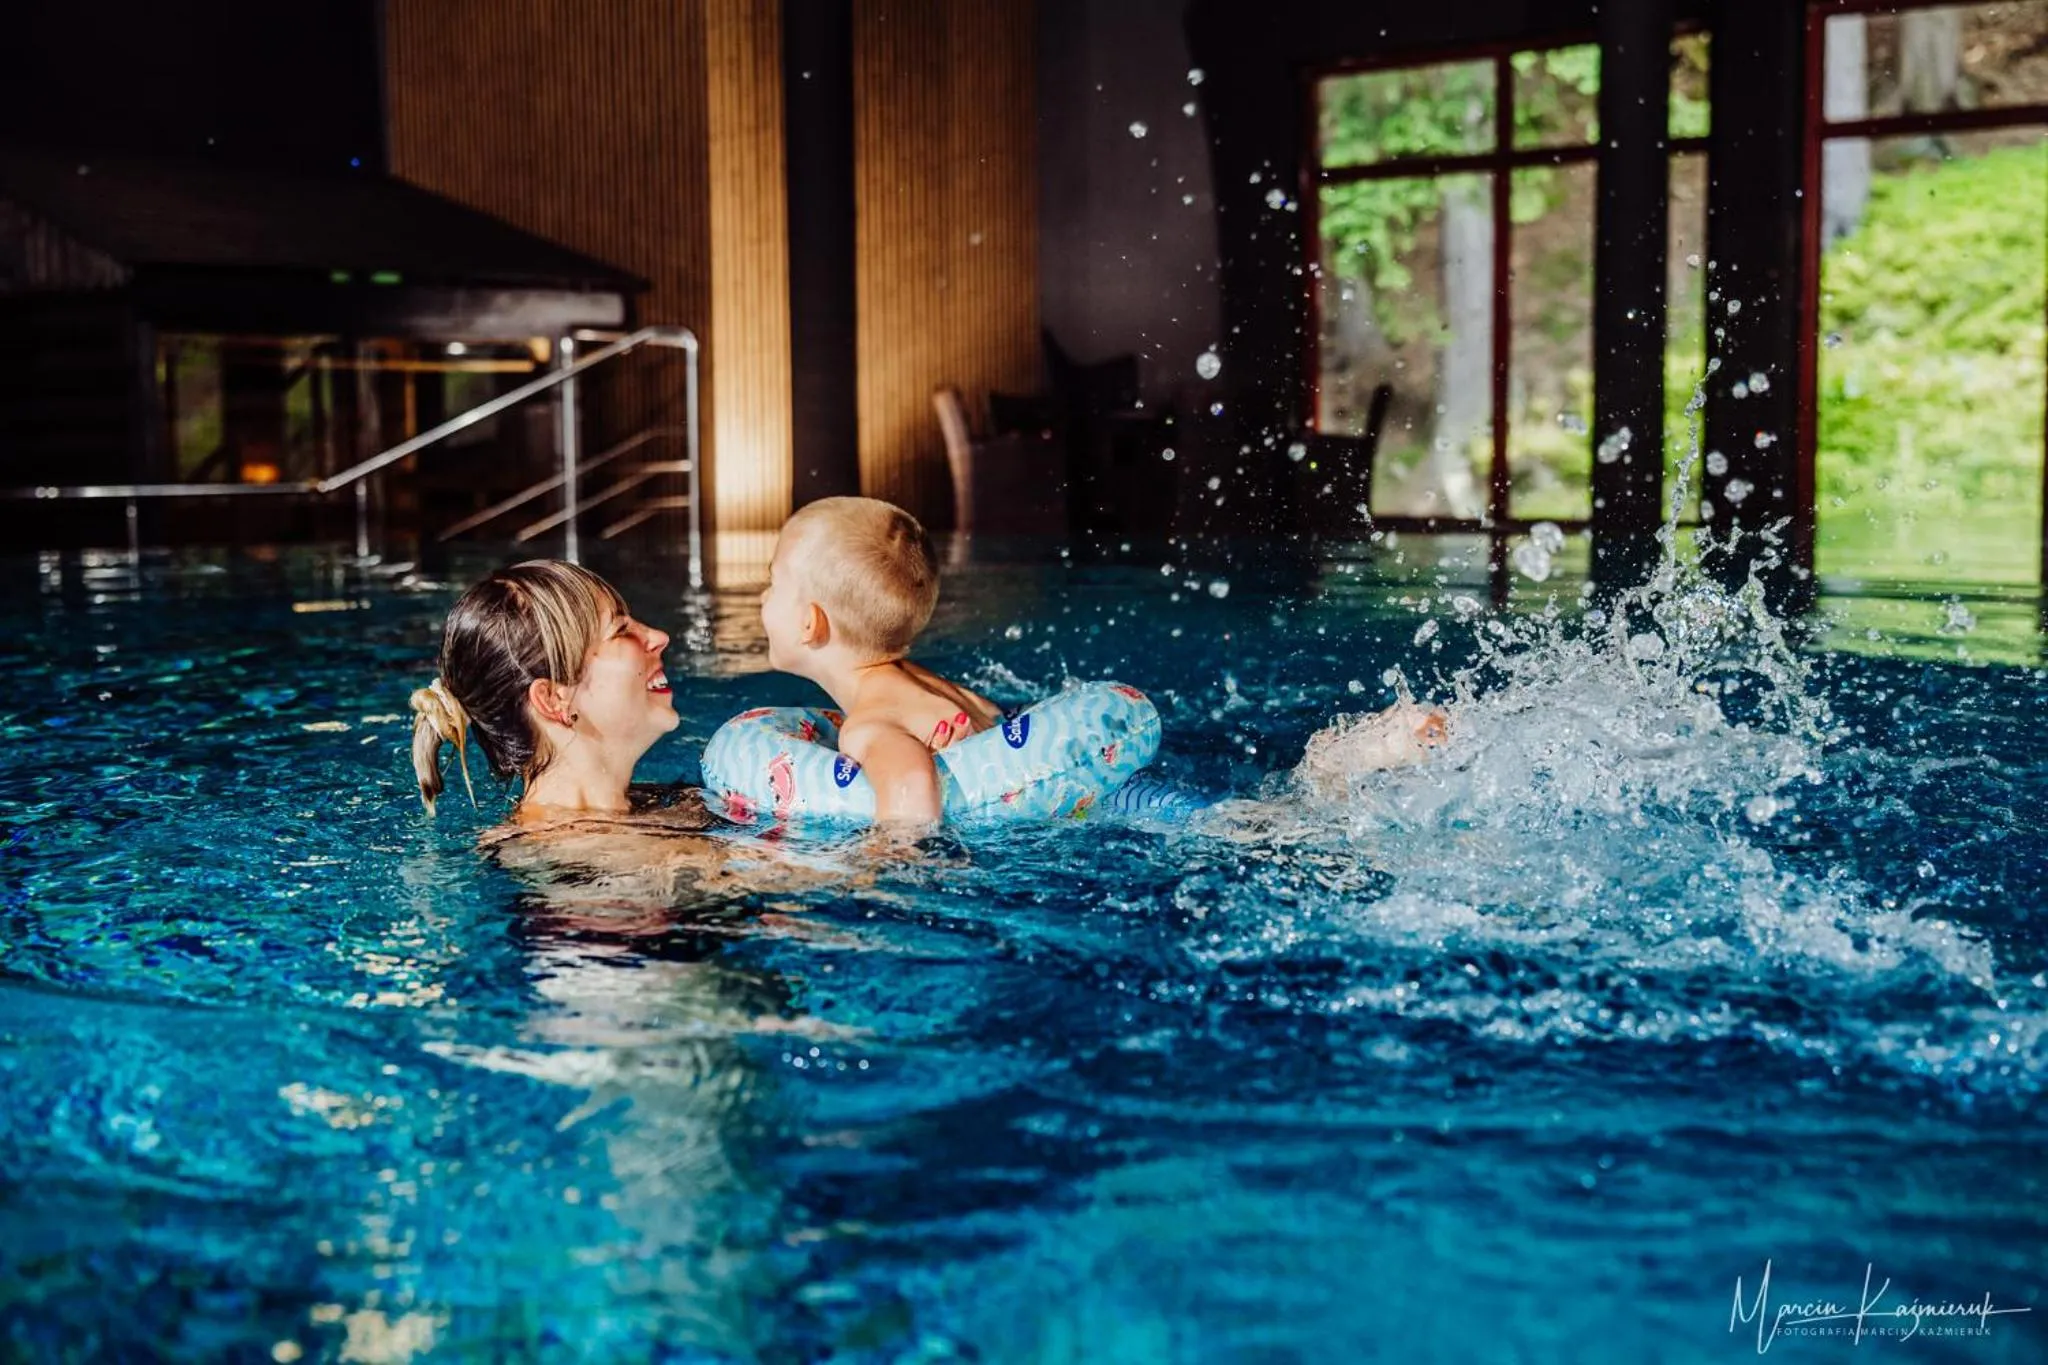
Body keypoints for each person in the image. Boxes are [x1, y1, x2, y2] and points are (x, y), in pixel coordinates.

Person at [757, 496, 1000, 824]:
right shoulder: (942, 689)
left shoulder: (869, 724)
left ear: (809, 623)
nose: (763, 596)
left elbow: (912, 784)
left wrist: (874, 862)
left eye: (773, 584)